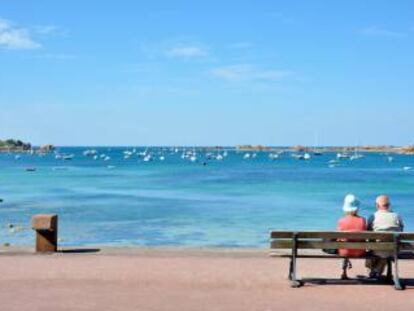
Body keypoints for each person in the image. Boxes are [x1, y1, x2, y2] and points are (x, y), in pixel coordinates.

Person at [366, 195, 404, 278]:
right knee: (385, 251)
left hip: (377, 250)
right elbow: (401, 231)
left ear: (377, 205)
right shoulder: (397, 216)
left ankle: (374, 270)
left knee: (373, 248)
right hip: (393, 250)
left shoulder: (373, 217)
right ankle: (377, 270)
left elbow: (368, 234)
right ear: (389, 205)